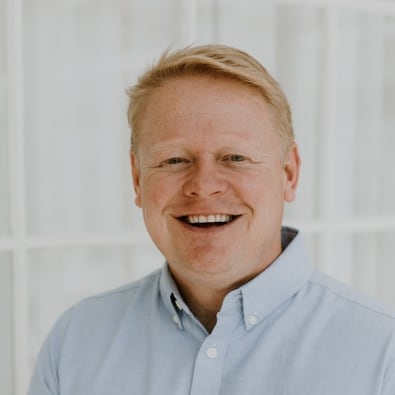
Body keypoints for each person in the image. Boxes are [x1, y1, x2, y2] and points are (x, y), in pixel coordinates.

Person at [28, 44, 395, 395]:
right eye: (174, 160)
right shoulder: (75, 344)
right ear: (138, 178)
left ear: (289, 174)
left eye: (235, 158)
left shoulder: (383, 354)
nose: (203, 186)